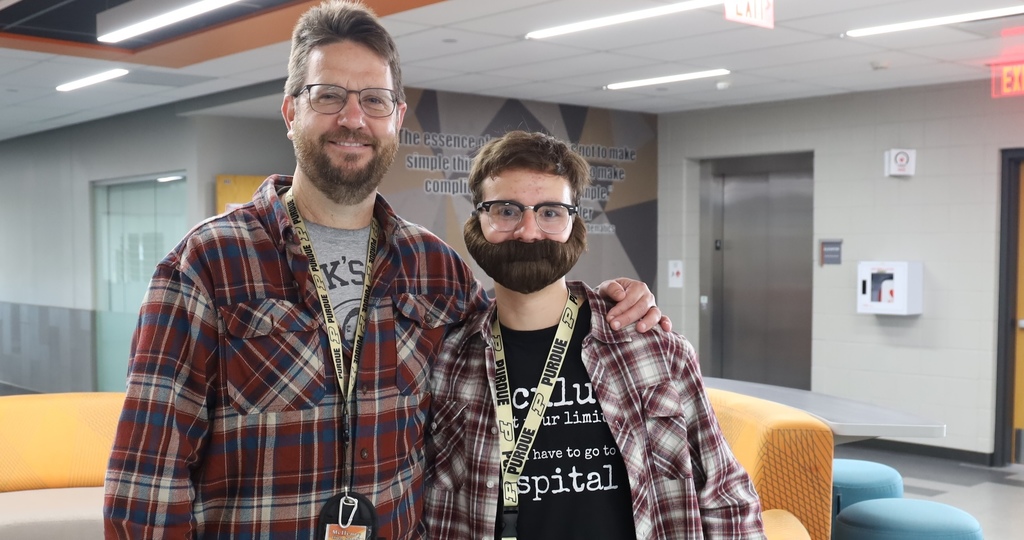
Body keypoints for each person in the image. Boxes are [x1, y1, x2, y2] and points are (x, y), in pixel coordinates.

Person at [102, 2, 668, 538]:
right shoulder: (206, 265)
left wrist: (607, 304)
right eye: (328, 96)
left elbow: (519, 331)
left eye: (374, 100)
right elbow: (145, 486)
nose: (353, 118)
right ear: (291, 111)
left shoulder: (436, 270)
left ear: (396, 117)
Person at [422, 131, 765, 539]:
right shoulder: (447, 361)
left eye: (551, 212)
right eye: (507, 210)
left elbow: (726, 497)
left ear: (575, 224)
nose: (529, 231)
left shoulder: (655, 349)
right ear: (477, 221)